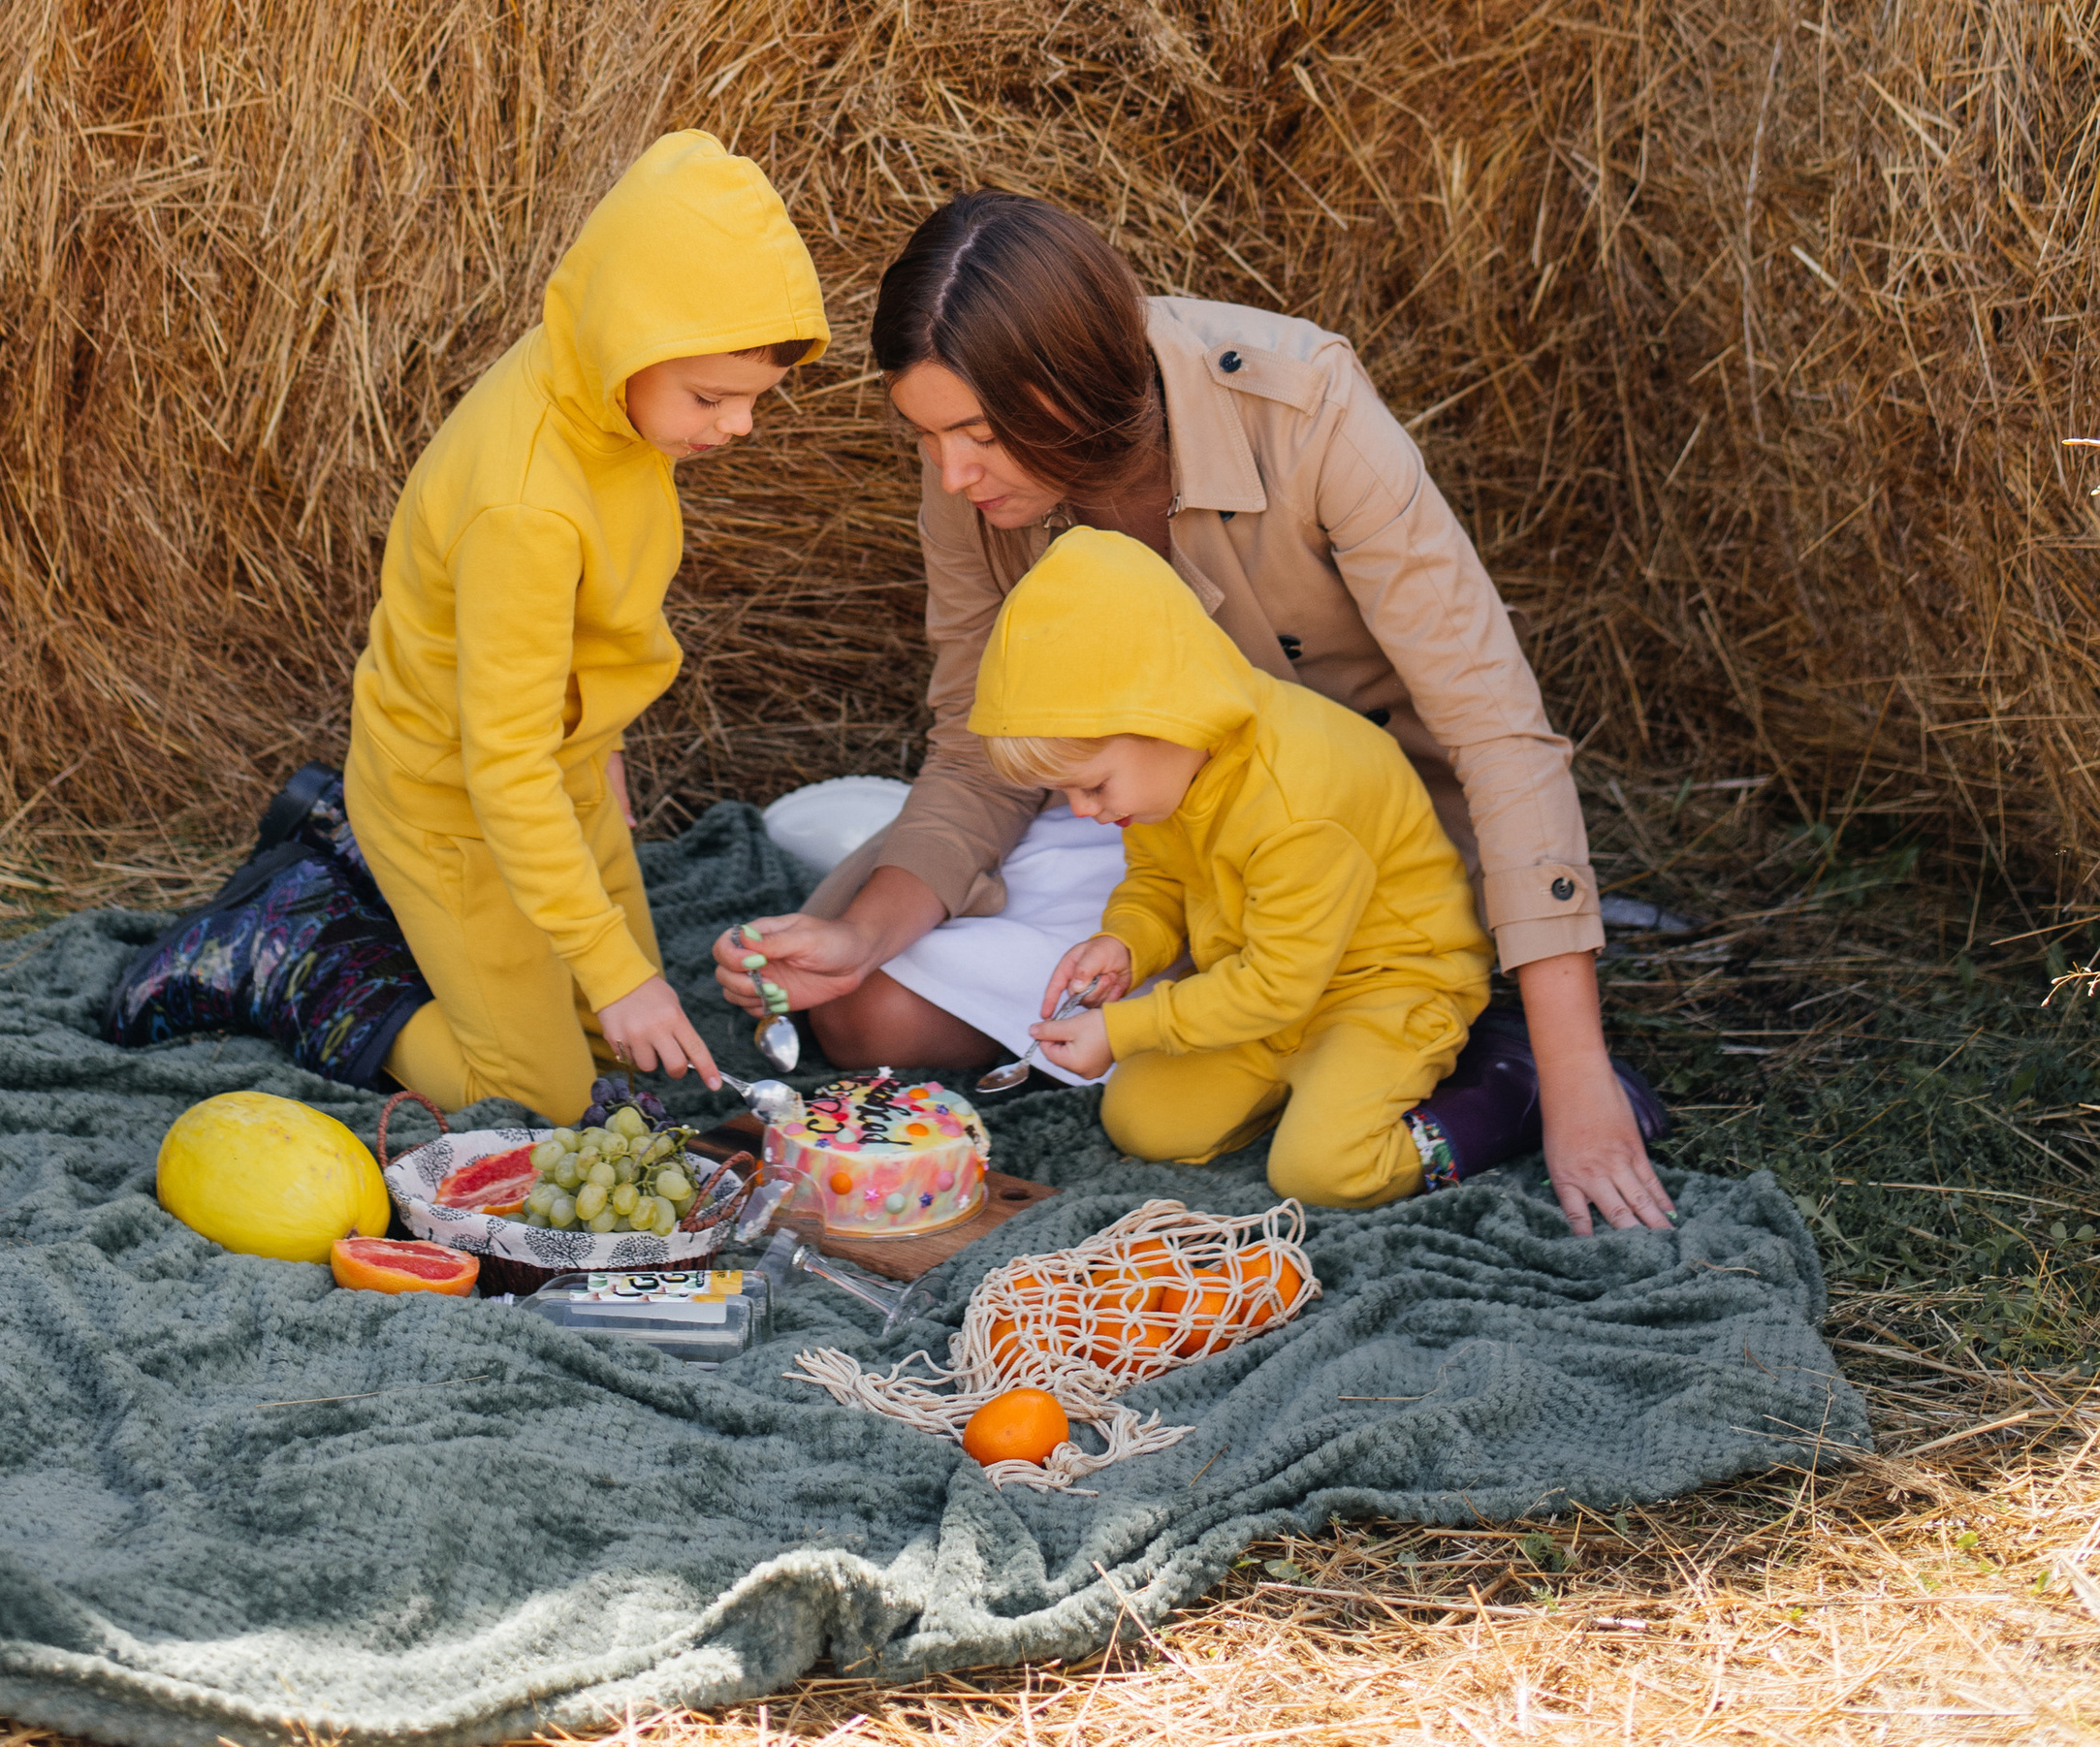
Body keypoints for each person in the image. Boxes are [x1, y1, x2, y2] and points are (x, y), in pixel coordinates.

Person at [716, 187, 1671, 1237]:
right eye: (930, 437)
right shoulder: (971, 480)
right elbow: (974, 748)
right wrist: (858, 934)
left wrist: (1577, 1077)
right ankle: (1272, 1027)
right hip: (1145, 829)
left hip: (1344, 831)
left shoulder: (1304, 409)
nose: (951, 473)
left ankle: (1499, 1048)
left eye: (978, 435)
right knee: (861, 1012)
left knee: (1319, 1006)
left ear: (1066, 390)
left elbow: (1496, 729)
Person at [108, 128, 826, 1121]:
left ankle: (421, 923)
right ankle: (298, 951)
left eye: (755, 400)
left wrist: (598, 745)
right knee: (537, 1100)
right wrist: (616, 972)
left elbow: (559, 645)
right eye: (713, 397)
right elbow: (501, 766)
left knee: (618, 1048)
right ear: (628, 336)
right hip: (454, 796)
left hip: (548, 759)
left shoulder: (609, 387)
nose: (737, 425)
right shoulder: (523, 505)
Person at [972, 524, 1528, 1202]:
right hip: (1265, 989)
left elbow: (1276, 984)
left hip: (1384, 989)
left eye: (1093, 784)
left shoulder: (1301, 799)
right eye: (1065, 793)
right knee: (1141, 1121)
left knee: (1324, 1173)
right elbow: (1158, 880)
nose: (1082, 809)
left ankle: (1503, 1093)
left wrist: (1124, 1028)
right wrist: (1126, 942)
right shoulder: (1167, 776)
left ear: (1165, 716)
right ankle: (1312, 1089)